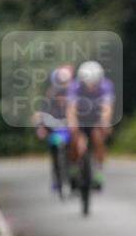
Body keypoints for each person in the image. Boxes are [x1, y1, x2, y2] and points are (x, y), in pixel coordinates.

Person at [66, 61, 115, 189]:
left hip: (95, 117)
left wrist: (105, 122)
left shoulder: (106, 86)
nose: (91, 87)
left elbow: (107, 107)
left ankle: (98, 171)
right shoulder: (74, 86)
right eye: (88, 84)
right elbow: (71, 108)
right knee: (75, 140)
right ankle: (74, 167)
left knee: (98, 139)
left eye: (94, 83)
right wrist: (73, 123)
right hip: (80, 116)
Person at [33, 64, 74, 192]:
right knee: (54, 152)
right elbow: (40, 114)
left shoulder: (75, 96)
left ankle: (76, 175)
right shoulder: (49, 97)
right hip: (55, 130)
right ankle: (57, 178)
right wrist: (40, 127)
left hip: (69, 130)